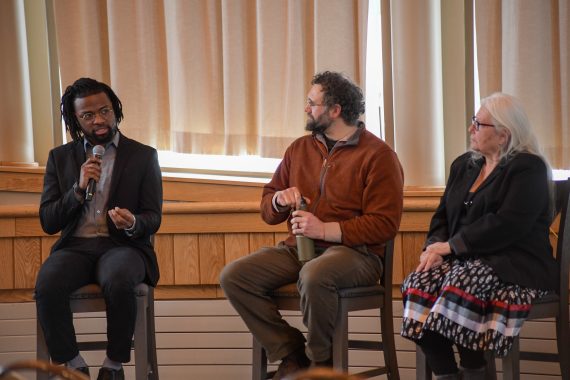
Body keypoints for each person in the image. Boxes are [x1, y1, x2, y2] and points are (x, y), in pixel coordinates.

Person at [220, 71, 404, 380]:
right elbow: (267, 206)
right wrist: (279, 200)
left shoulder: (379, 155)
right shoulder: (299, 149)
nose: (306, 109)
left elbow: (384, 224)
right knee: (234, 276)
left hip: (356, 254)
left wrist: (325, 230)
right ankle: (291, 353)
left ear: (335, 110)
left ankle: (320, 366)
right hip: (298, 248)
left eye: (312, 103)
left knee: (314, 274)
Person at [400, 93, 559, 380]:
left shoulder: (528, 168)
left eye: (478, 124)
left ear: (503, 135)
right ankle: (448, 373)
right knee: (418, 282)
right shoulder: (464, 165)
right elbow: (442, 217)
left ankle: (474, 368)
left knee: (463, 281)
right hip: (463, 258)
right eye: (473, 122)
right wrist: (431, 250)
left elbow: (507, 224)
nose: (471, 129)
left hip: (516, 262)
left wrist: (450, 247)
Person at [35, 78, 163, 380]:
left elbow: (153, 217)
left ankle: (113, 365)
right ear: (76, 120)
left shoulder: (143, 156)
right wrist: (78, 189)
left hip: (123, 247)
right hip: (75, 247)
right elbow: (48, 221)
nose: (99, 120)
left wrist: (133, 222)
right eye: (88, 116)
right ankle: (73, 364)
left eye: (105, 111)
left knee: (118, 278)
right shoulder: (60, 158)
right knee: (47, 284)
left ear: (115, 110)